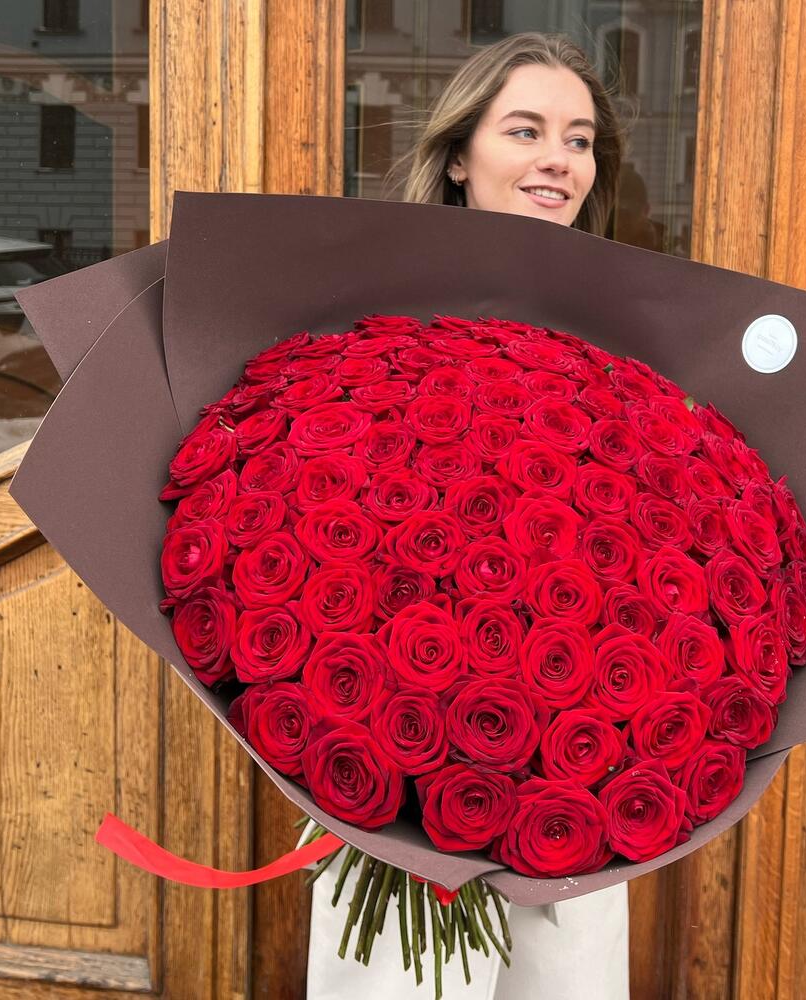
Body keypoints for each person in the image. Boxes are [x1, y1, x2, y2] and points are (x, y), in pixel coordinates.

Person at [307, 32, 631, 1000]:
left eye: (578, 139)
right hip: (395, 779)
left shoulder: (628, 336)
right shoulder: (375, 323)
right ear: (457, 156)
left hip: (572, 781)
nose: (557, 159)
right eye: (525, 130)